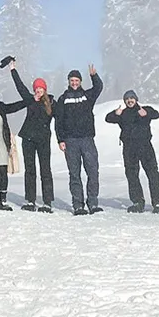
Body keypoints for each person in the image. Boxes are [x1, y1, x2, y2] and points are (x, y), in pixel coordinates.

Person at [106, 89, 159, 214]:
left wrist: (146, 113)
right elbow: (108, 118)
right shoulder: (123, 113)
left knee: (152, 174)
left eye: (131, 98)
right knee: (132, 175)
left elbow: (156, 114)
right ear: (125, 101)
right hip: (129, 148)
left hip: (145, 146)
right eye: (127, 99)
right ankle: (137, 202)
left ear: (136, 99)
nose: (129, 101)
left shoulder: (144, 109)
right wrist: (116, 113)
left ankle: (158, 202)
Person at [53, 64, 104, 215]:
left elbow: (98, 88)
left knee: (93, 171)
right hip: (70, 141)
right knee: (74, 174)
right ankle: (78, 205)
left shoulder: (87, 96)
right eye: (72, 80)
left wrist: (94, 76)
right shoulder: (63, 99)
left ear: (80, 81)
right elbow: (58, 122)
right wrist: (60, 140)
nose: (74, 83)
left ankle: (93, 203)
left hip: (87, 139)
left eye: (77, 80)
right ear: (68, 82)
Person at [7, 59, 56, 212]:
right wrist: (13, 70)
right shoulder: (29, 100)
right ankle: (30, 201)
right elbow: (19, 87)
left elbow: (61, 120)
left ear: (45, 90)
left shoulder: (52, 103)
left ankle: (47, 202)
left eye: (41, 89)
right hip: (28, 138)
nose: (38, 91)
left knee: (45, 170)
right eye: (36, 89)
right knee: (30, 170)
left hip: (43, 140)